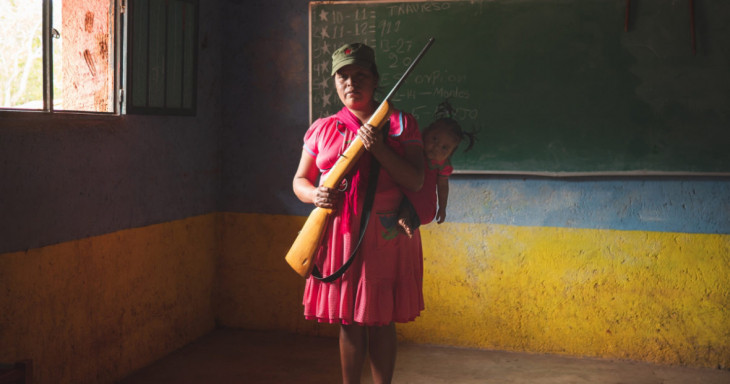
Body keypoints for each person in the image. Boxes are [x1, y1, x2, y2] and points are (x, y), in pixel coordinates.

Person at [292, 43, 425, 384]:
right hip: (340, 233)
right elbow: (300, 180)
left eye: (360, 75)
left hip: (387, 232)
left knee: (381, 319)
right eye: (343, 76)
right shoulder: (322, 128)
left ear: (376, 79)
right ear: (335, 82)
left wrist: (378, 148)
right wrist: (314, 194)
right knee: (348, 320)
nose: (351, 83)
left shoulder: (399, 123)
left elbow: (415, 178)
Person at [398, 101, 476, 236]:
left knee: (426, 215)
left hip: (424, 199)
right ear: (425, 132)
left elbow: (443, 186)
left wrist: (443, 207)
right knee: (401, 201)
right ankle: (403, 217)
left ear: (450, 154)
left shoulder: (442, 166)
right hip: (404, 193)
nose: (436, 147)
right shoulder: (413, 150)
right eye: (434, 139)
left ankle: (408, 222)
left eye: (445, 148)